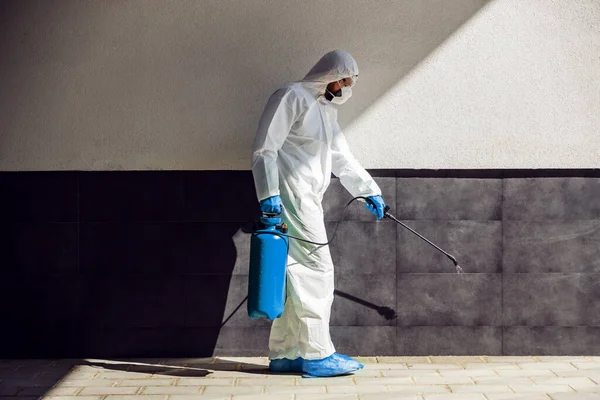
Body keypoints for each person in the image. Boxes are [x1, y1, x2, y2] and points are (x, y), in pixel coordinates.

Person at [251, 50, 386, 378]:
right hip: (291, 196)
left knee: (295, 275)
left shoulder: (326, 111)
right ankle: (317, 355)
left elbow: (341, 157)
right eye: (344, 80)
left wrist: (368, 189)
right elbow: (264, 148)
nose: (346, 88)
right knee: (317, 271)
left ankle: (285, 354)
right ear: (330, 75)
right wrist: (268, 194)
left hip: (310, 198)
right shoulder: (291, 96)